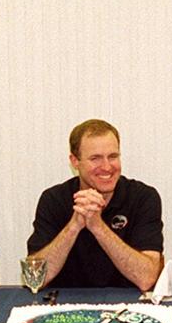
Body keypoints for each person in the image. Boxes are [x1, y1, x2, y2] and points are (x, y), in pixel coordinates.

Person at [27, 119, 163, 290]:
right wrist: (74, 226)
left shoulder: (143, 198)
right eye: (95, 158)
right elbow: (35, 277)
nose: (107, 167)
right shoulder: (53, 199)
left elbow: (146, 278)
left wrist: (98, 226)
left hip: (127, 303)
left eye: (113, 156)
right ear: (75, 161)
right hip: (65, 303)